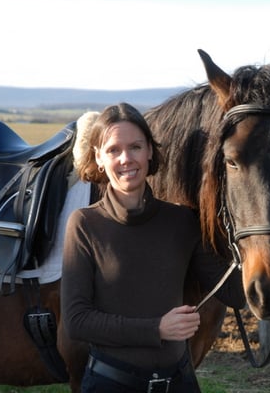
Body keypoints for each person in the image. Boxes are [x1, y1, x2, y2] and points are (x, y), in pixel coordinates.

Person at [61, 103, 245, 393]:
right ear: (98, 157)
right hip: (111, 385)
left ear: (150, 151)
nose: (125, 159)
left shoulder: (182, 221)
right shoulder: (84, 224)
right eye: (113, 150)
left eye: (135, 146)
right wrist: (157, 329)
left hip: (179, 384)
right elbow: (77, 322)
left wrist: (269, 238)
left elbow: (236, 294)